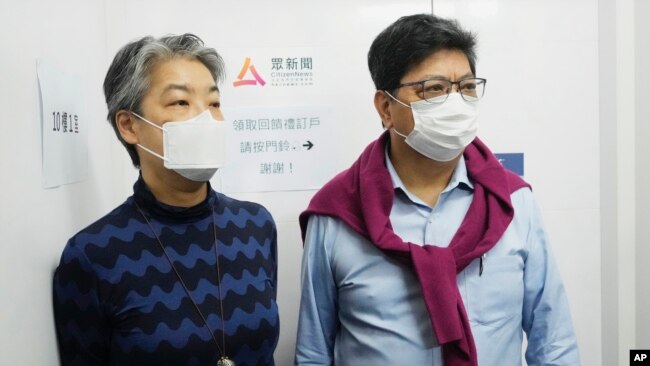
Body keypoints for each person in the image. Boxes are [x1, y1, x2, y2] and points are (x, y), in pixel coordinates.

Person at [295, 14, 579, 366]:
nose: (456, 102)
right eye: (434, 89)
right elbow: (313, 352)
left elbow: (553, 342)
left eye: (467, 87)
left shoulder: (512, 203)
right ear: (386, 107)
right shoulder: (337, 213)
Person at [53, 34, 279, 366]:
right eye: (180, 102)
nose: (207, 119)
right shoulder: (93, 255)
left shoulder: (255, 225)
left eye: (214, 104)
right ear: (129, 125)